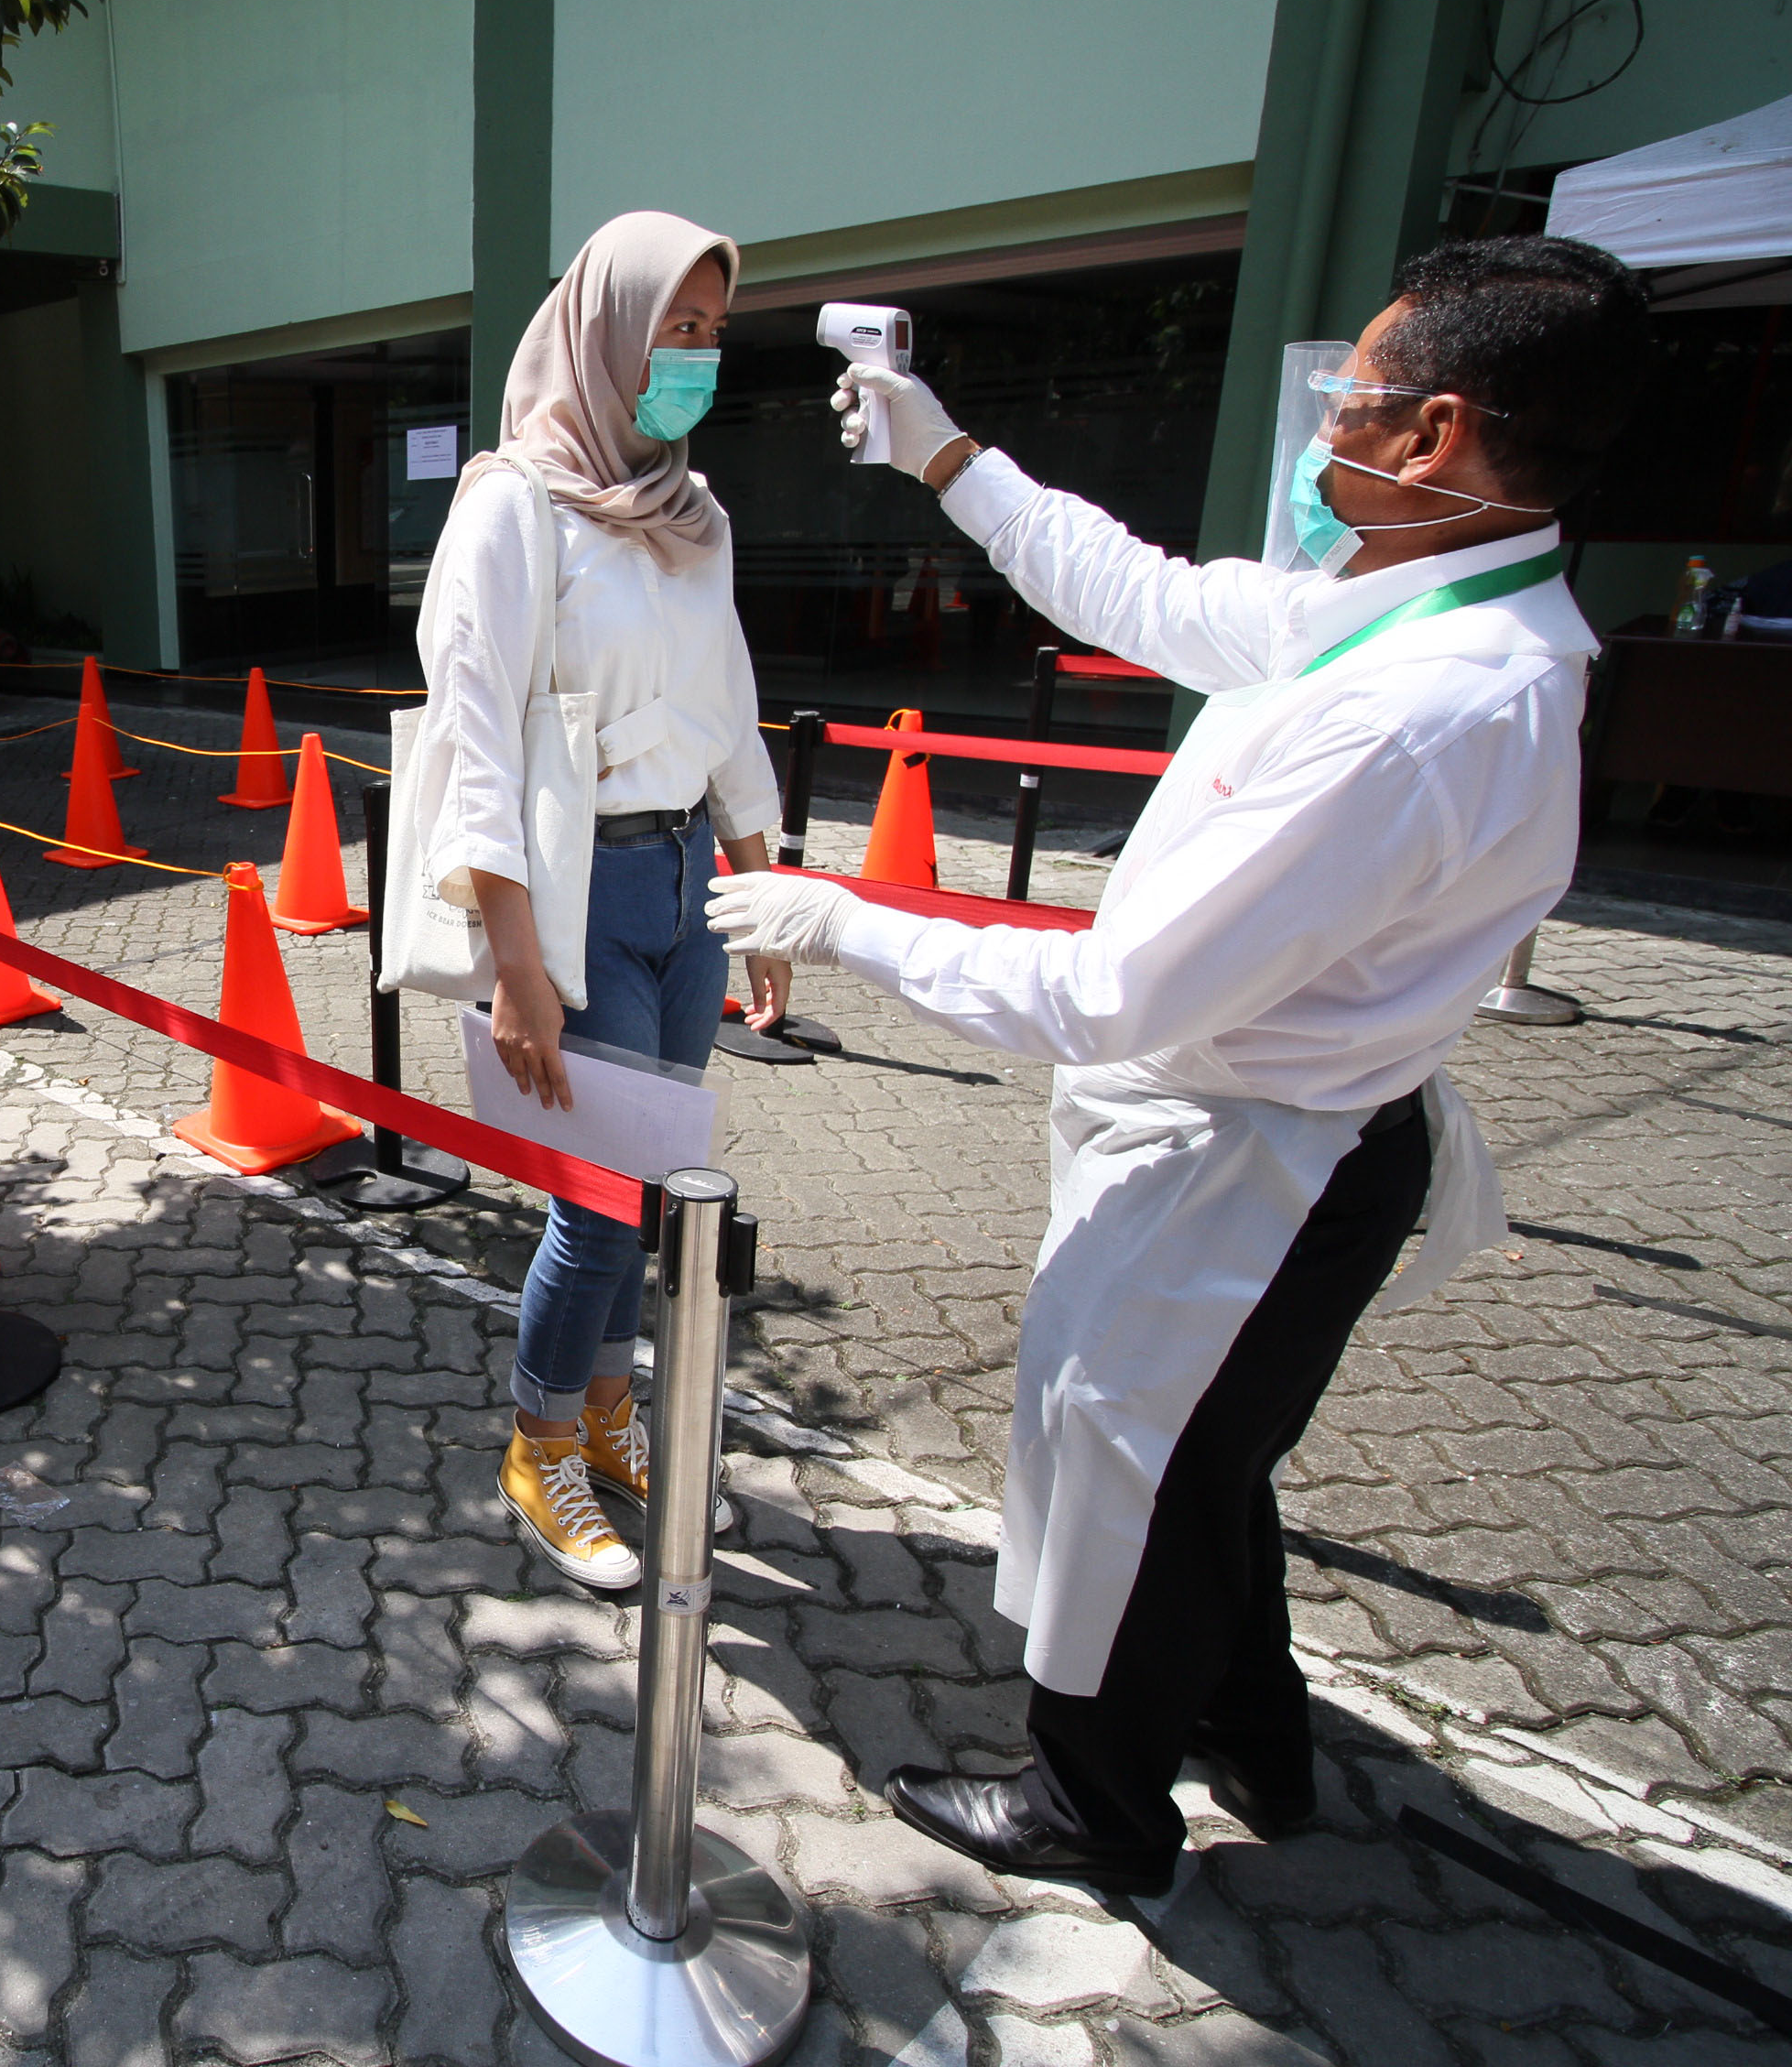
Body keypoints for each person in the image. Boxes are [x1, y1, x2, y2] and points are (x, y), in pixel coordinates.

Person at [709, 235, 1656, 1895]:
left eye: (1347, 402)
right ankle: (1254, 1732)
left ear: (1434, 431)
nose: (1323, 432)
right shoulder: (1405, 614)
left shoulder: (1426, 707)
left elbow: (1115, 991)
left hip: (1251, 1161)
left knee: (1129, 1459)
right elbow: (1145, 590)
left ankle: (1094, 1806)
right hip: (1275, 1135)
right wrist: (945, 451)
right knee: (1207, 1458)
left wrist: (841, 919)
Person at [409, 211, 789, 1593]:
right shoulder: (513, 507)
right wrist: (516, 965)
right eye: (673, 329)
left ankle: (615, 1417)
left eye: (712, 332)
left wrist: (763, 886)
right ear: (605, 331)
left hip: (688, 884)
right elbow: (478, 743)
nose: (694, 357)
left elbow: (727, 709)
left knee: (660, 1184)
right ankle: (541, 1442)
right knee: (602, 1209)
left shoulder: (696, 513)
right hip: (579, 896)